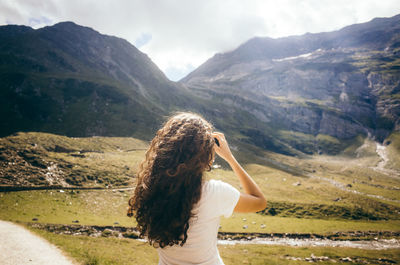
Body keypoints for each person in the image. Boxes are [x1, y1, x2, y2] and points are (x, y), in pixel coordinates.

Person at [127, 112, 267, 265]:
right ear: (204, 154)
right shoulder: (213, 192)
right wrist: (230, 158)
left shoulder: (151, 188)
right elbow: (259, 202)